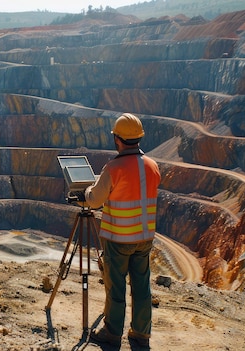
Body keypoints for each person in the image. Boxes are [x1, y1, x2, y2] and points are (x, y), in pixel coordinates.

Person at [84, 113, 161, 348]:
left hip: (119, 239)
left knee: (115, 287)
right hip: (144, 238)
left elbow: (95, 200)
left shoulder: (113, 167)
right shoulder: (152, 165)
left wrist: (87, 191)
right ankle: (141, 334)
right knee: (142, 287)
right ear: (138, 138)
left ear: (117, 139)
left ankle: (112, 333)